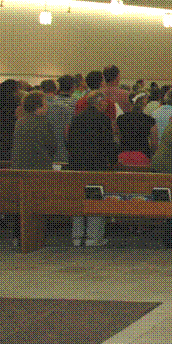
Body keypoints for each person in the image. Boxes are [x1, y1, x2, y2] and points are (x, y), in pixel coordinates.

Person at [65, 91, 116, 247]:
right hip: (96, 165)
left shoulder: (76, 118)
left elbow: (69, 142)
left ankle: (77, 236)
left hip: (77, 165)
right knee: (95, 198)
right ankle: (94, 237)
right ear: (99, 103)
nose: (107, 104)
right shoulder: (104, 119)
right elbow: (109, 144)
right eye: (105, 102)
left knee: (79, 199)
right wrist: (113, 162)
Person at [11, 90, 56, 170]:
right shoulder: (45, 123)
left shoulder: (20, 122)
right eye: (45, 104)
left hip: (20, 166)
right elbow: (51, 147)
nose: (47, 106)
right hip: (40, 166)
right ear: (38, 106)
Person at [117, 92, 157, 167]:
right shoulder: (150, 120)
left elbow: (118, 137)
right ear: (144, 104)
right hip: (143, 156)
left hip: (123, 156)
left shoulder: (121, 118)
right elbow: (154, 144)